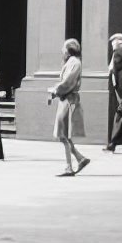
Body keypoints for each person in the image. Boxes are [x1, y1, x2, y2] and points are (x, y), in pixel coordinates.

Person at [48, 38, 89, 176]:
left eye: (64, 48)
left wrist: (55, 90)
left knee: (63, 134)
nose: (62, 51)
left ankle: (70, 166)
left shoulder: (74, 63)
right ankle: (79, 159)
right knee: (64, 134)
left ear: (69, 50)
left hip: (68, 101)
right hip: (66, 100)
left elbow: (67, 82)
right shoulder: (72, 62)